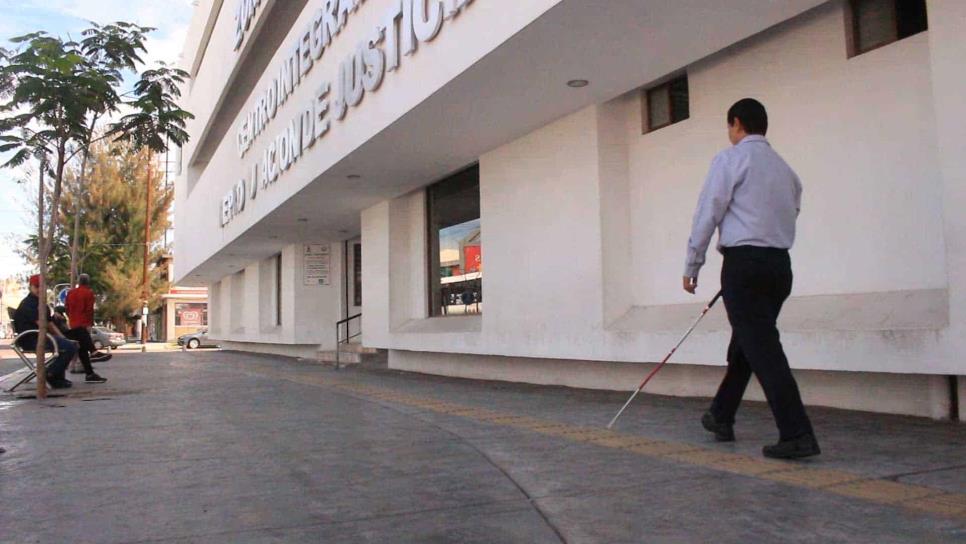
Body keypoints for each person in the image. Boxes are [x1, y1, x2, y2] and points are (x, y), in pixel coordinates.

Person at [683, 98, 819, 459]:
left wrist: (693, 263)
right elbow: (792, 211)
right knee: (748, 344)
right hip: (779, 266)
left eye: (730, 127)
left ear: (737, 124)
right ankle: (721, 415)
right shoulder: (786, 171)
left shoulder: (729, 159)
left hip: (744, 265)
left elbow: (708, 210)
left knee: (763, 348)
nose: (729, 133)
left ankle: (797, 433)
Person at [12, 274, 77, 389]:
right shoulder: (30, 304)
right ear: (30, 287)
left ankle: (57, 378)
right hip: (31, 339)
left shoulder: (40, 302)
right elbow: (43, 324)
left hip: (38, 336)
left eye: (41, 287)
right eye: (36, 287)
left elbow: (50, 323)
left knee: (68, 344)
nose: (39, 290)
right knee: (69, 347)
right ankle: (50, 375)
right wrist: (62, 339)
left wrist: (62, 337)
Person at [64, 274, 108, 383]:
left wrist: (71, 319)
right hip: (83, 324)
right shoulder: (89, 293)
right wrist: (89, 324)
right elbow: (89, 310)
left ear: (79, 282)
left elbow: (67, 308)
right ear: (88, 282)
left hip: (73, 323)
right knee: (82, 348)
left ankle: (90, 373)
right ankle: (93, 354)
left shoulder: (70, 293)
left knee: (82, 349)